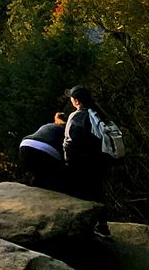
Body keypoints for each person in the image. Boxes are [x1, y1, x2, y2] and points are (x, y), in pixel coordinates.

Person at [63, 85, 112, 238]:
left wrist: (67, 161)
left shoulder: (77, 116)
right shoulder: (98, 113)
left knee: (81, 193)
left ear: (76, 101)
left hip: (83, 162)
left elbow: (70, 141)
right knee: (97, 192)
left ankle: (84, 229)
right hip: (100, 160)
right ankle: (102, 225)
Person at [20, 112, 68, 192]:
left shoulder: (47, 125)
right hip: (46, 149)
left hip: (25, 145)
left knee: (38, 173)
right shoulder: (66, 129)